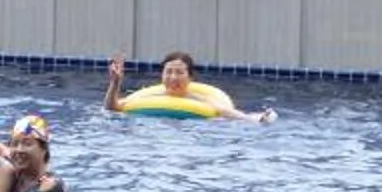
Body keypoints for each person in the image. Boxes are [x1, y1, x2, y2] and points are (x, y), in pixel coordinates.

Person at [103, 51, 271, 123]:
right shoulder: (148, 98)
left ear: (190, 77)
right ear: (162, 75)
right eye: (168, 72)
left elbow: (223, 111)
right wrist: (115, 82)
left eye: (179, 72)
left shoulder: (198, 98)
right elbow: (112, 108)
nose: (173, 77)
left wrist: (250, 119)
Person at [0, 114, 68, 192]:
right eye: (15, 144)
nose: (19, 150)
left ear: (44, 149)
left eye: (27, 144)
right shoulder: (16, 167)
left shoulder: (49, 185)